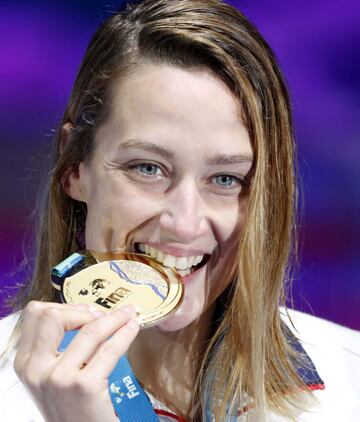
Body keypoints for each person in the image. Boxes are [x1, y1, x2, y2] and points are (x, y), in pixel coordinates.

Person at [0, 0, 359, 420]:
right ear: (75, 169)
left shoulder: (351, 379)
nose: (184, 224)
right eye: (147, 168)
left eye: (226, 179)